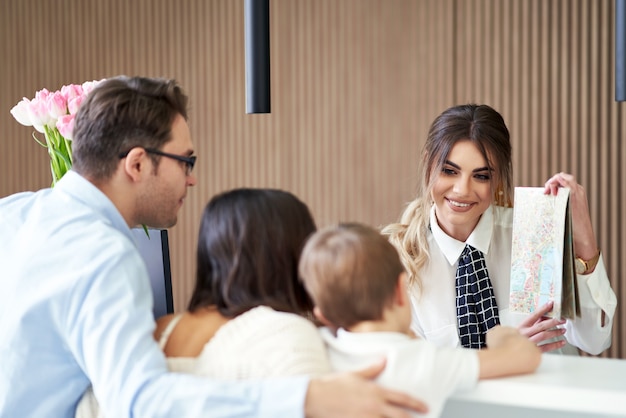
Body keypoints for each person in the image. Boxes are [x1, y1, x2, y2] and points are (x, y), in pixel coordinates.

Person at [0, 76, 428, 417]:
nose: (192, 179)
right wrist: (305, 399)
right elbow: (141, 402)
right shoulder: (106, 257)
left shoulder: (12, 214)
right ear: (136, 163)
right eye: (185, 161)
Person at [382, 103, 616, 355]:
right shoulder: (401, 262)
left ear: (498, 179)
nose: (462, 189)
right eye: (449, 171)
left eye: (480, 176)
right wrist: (501, 354)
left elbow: (594, 341)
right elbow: (409, 370)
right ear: (429, 163)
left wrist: (583, 240)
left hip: (547, 391)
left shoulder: (534, 235)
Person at [298, 222, 542, 418]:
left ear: (323, 315)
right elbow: (525, 357)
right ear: (401, 290)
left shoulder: (316, 350)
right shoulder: (422, 361)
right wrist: (498, 333)